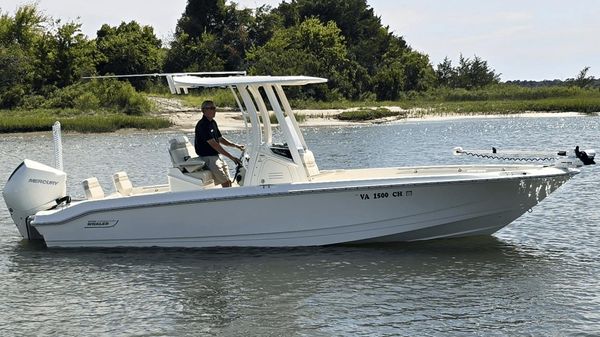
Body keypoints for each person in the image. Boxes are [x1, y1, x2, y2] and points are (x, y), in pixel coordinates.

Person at [194, 100, 244, 187]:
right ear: (203, 110)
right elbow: (215, 145)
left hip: (216, 157)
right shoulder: (203, 125)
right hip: (208, 158)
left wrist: (236, 145)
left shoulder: (212, 122)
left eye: (214, 108)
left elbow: (220, 139)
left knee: (228, 181)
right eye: (211, 108)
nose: (214, 110)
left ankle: (230, 198)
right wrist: (231, 157)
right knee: (225, 182)